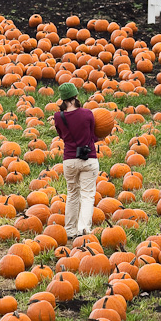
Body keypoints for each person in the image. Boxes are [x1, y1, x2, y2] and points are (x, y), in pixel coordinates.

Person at [52, 82, 98, 240]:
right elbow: (93, 136)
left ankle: (70, 231)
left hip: (69, 160)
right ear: (76, 96)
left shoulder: (58, 117)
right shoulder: (87, 114)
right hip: (88, 159)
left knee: (72, 194)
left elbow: (61, 135)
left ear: (63, 99)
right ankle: (83, 230)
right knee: (87, 195)